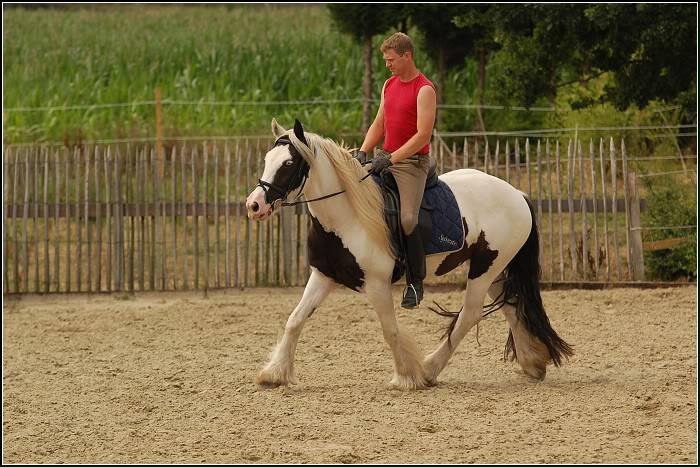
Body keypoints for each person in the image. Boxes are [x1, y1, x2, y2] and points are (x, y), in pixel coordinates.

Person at [354, 32, 437, 309]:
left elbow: (423, 136)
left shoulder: (424, 89)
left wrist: (391, 159)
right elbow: (380, 124)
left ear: (407, 56)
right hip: (384, 158)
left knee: (408, 220)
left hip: (412, 164)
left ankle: (415, 282)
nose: (387, 64)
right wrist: (364, 151)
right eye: (385, 60)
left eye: (391, 60)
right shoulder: (389, 85)